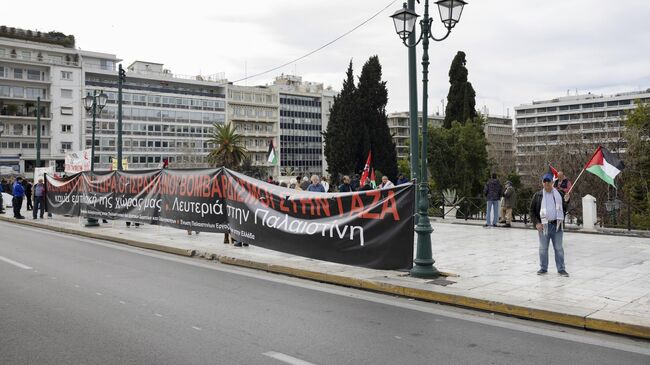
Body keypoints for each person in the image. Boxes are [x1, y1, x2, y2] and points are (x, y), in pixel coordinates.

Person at [530, 173, 569, 277]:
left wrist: (567, 200)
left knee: (559, 248)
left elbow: (564, 208)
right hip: (544, 227)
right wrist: (537, 223)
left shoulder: (559, 194)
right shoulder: (538, 195)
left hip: (557, 226)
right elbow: (532, 211)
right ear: (542, 183)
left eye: (549, 181)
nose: (546, 183)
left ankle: (561, 269)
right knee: (543, 248)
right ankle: (543, 268)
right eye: (545, 182)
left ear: (552, 182)